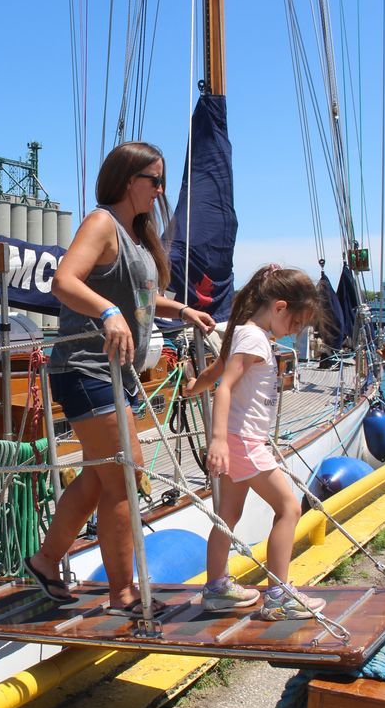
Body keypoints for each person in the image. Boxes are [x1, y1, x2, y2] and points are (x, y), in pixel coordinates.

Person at [22, 142, 214, 616]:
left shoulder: (136, 235)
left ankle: (46, 562)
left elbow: (143, 300)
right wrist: (107, 312)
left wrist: (183, 309)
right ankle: (123, 594)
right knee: (125, 481)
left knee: (97, 481)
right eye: (156, 180)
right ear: (130, 181)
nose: (161, 190)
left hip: (114, 372)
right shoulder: (102, 222)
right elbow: (64, 280)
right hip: (86, 368)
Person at [186, 264, 327, 621]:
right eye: (296, 324)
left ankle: (217, 588)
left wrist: (194, 386)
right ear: (279, 307)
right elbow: (227, 387)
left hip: (239, 439)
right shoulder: (254, 338)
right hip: (243, 440)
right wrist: (217, 439)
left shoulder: (247, 335)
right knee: (289, 508)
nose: (295, 332)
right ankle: (279, 594)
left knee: (228, 515)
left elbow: (216, 373)